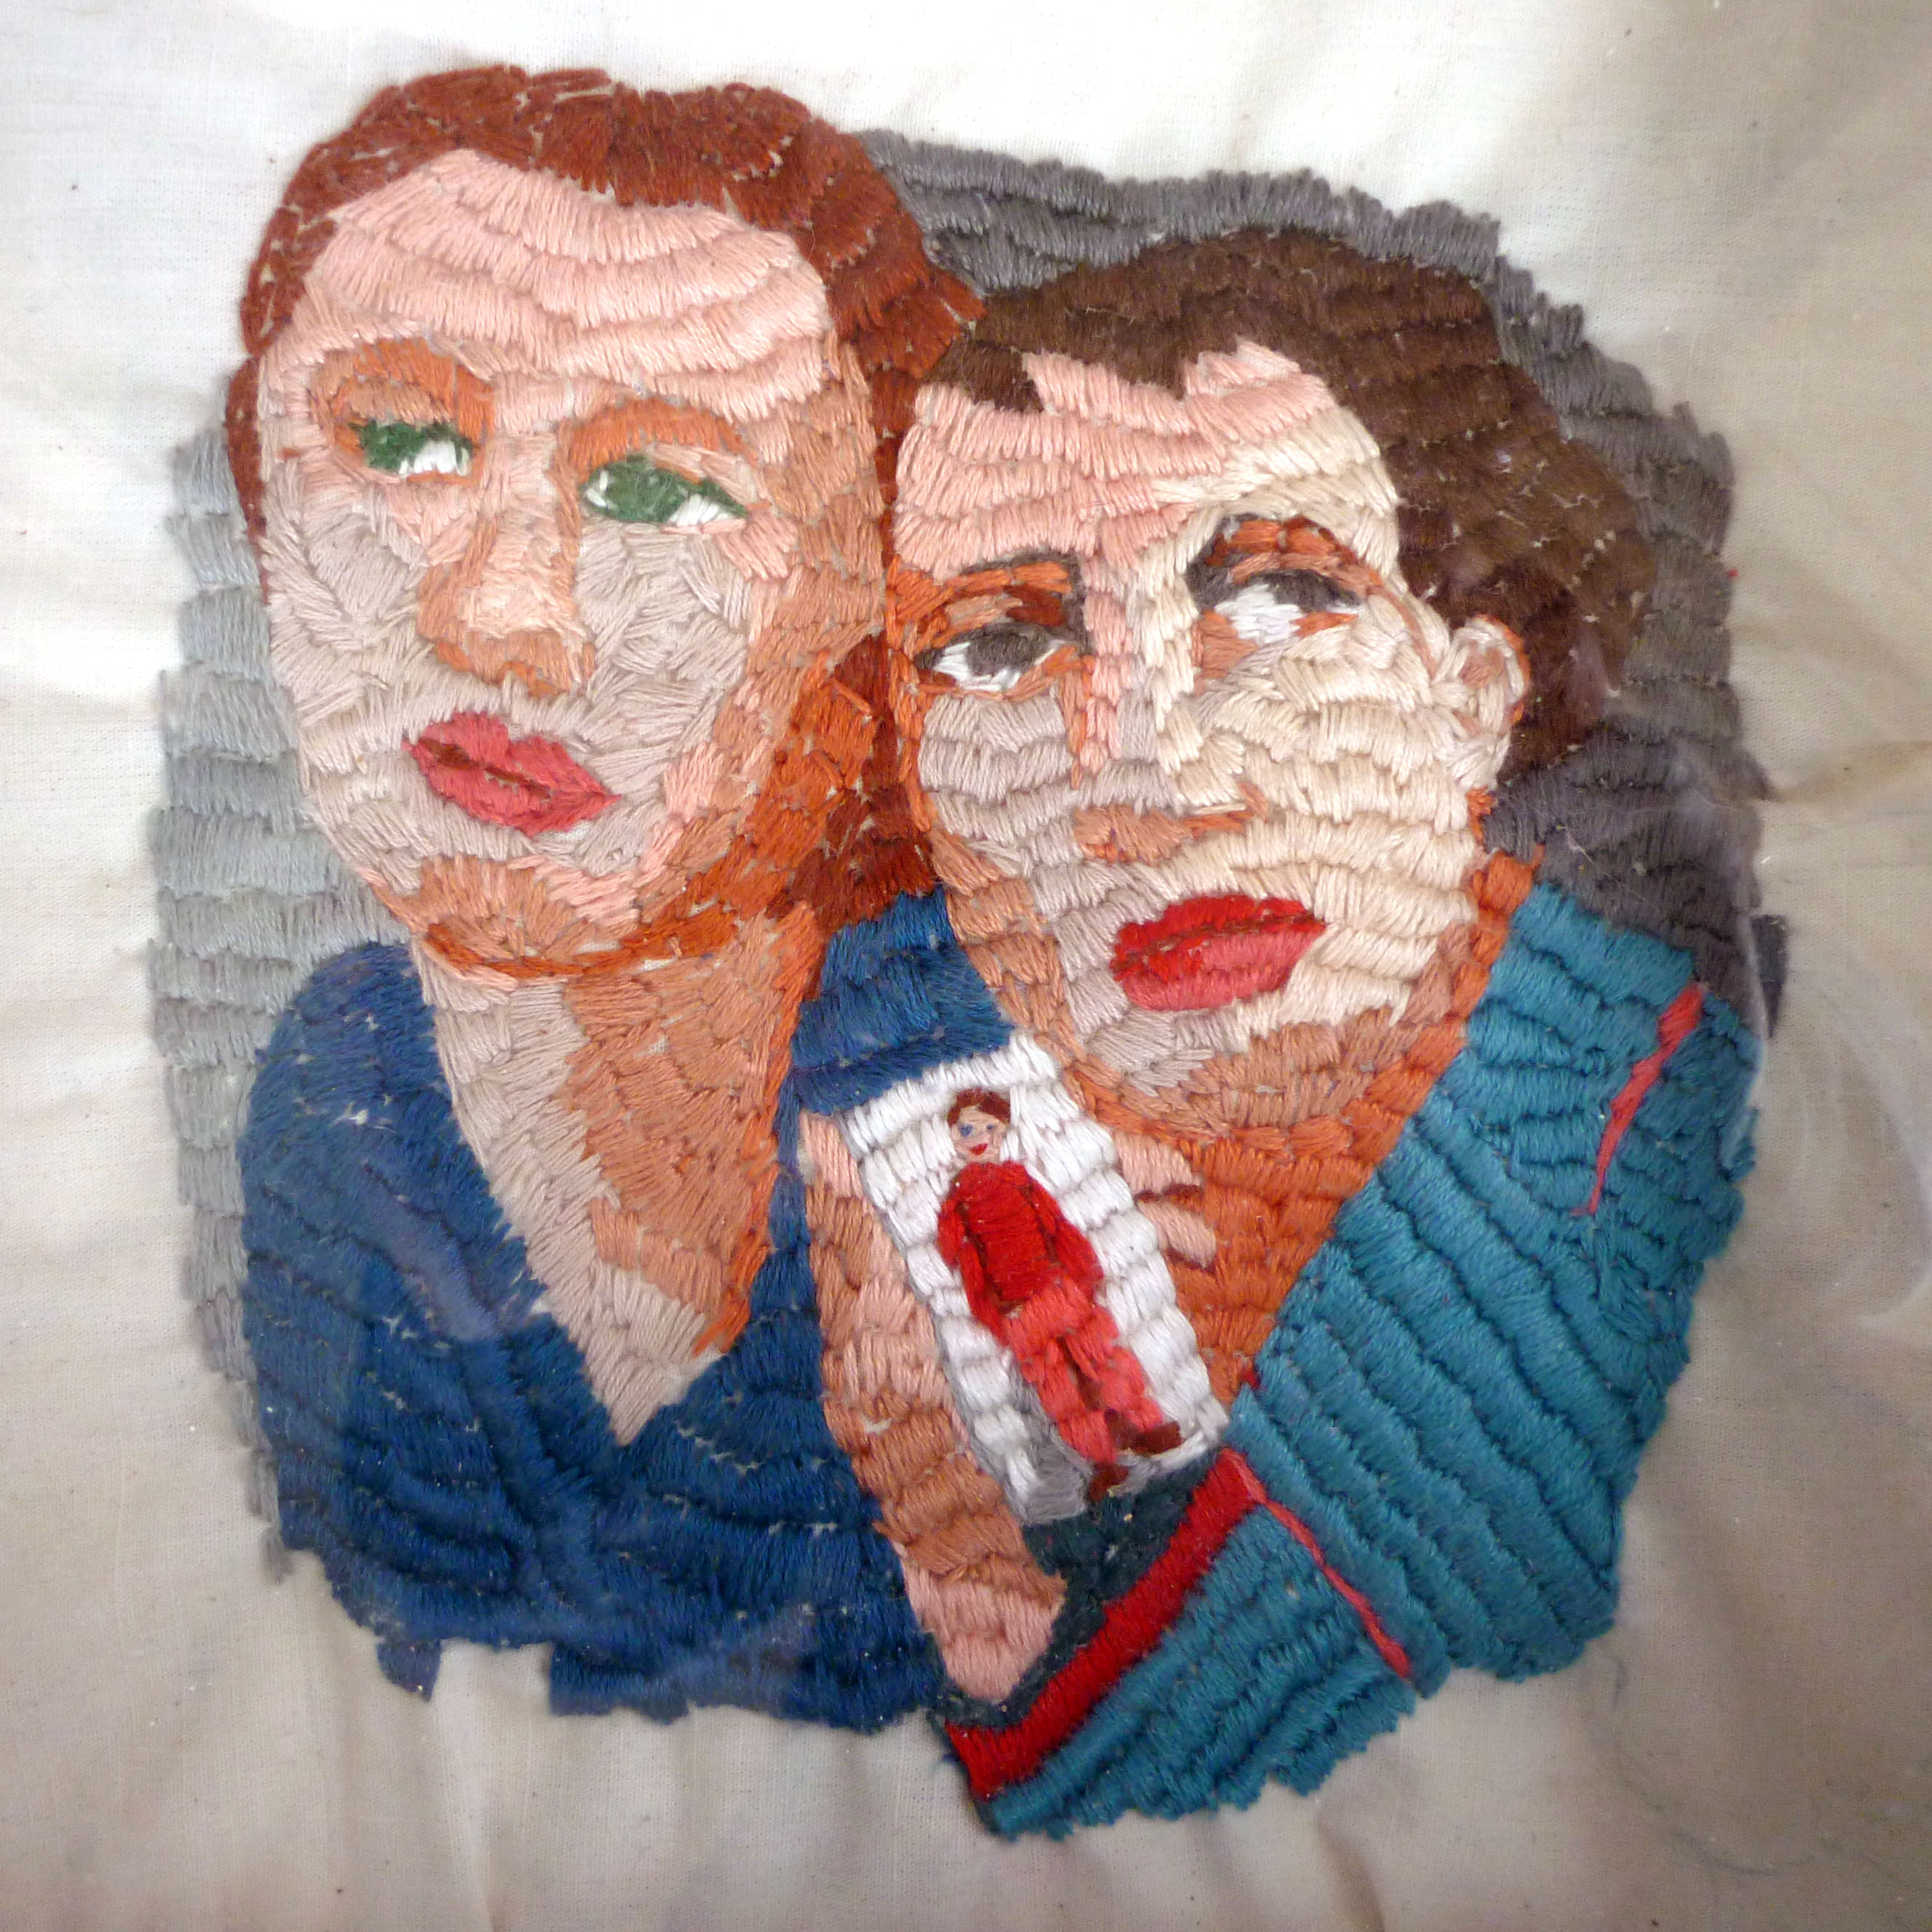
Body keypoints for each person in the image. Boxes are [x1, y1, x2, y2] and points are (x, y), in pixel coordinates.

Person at [793, 231, 1759, 1824]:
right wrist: (926, 1520)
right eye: (1000, 645)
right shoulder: (863, 1151)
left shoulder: (1657, 1139)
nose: (1146, 769)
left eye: (1276, 595)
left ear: (1471, 693)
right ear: (909, 770)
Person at [228, 65, 981, 1728]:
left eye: (662, 491)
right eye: (400, 443)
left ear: (866, 595)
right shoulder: (337, 1087)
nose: (500, 616)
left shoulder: (1004, 1105)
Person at [936, 1089, 1183, 1499]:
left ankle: (1141, 1427)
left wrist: (1082, 1270)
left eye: (989, 1128)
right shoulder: (958, 1200)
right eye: (967, 1130)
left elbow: (1054, 1225)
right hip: (1018, 1310)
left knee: (1100, 1357)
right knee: (1060, 1387)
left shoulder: (1019, 1179)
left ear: (1002, 1131)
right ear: (954, 1137)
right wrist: (992, 1314)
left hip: (1058, 1290)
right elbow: (966, 1261)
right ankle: (1102, 1460)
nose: (979, 1138)